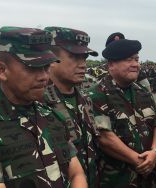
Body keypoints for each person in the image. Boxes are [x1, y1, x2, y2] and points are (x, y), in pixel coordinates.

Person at [0, 26, 87, 188]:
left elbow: (76, 173)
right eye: (33, 67)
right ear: (1, 70)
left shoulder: (52, 117)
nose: (44, 77)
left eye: (46, 67)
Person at [88, 38, 156, 188]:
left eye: (136, 59)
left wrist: (155, 151)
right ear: (111, 65)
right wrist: (138, 160)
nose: (135, 64)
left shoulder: (143, 93)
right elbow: (104, 137)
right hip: (116, 179)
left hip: (149, 178)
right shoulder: (96, 95)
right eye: (128, 60)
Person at [43, 26, 100, 188]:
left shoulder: (85, 96)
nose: (83, 65)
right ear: (52, 58)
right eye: (75, 57)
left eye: (84, 57)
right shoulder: (38, 101)